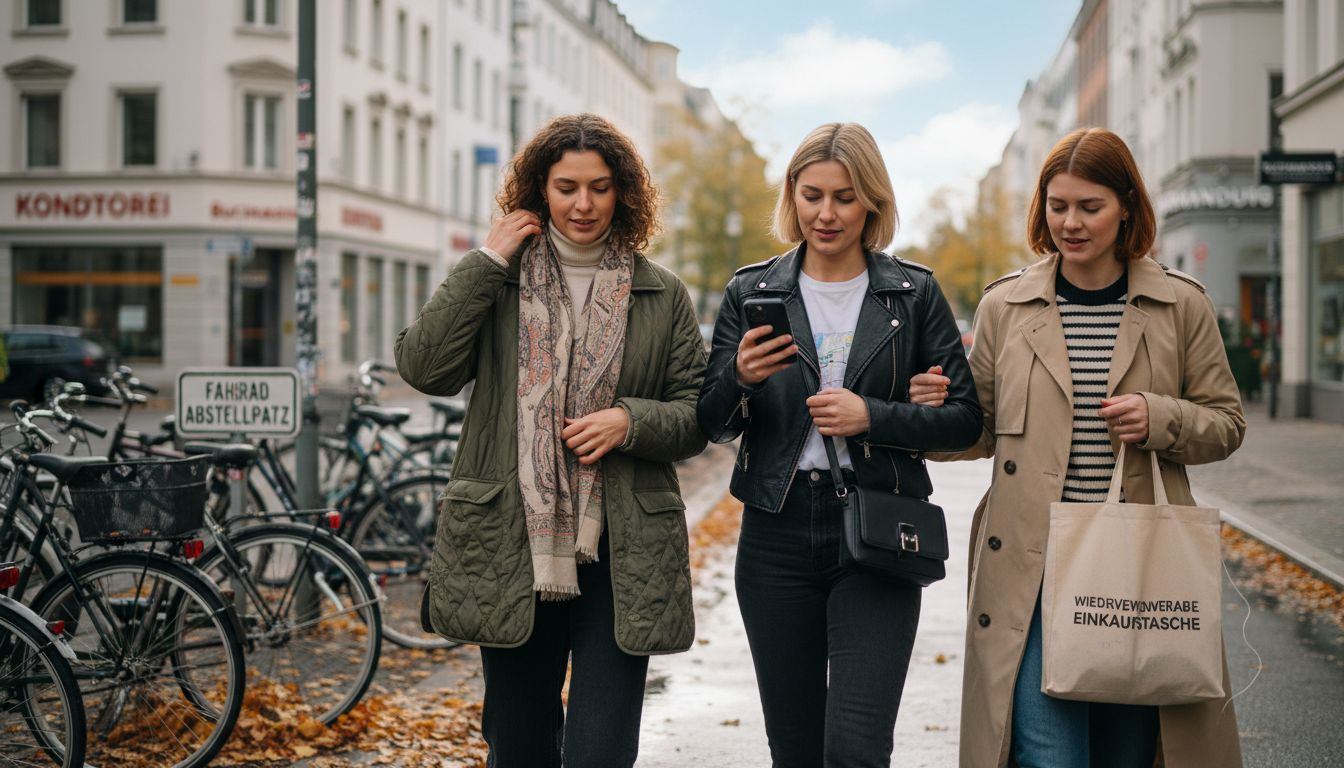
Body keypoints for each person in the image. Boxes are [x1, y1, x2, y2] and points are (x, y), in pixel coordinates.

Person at [909, 127, 1246, 767]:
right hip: (1031, 572)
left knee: (1129, 754)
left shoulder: (1180, 305)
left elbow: (1226, 423)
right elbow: (977, 430)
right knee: (1047, 754)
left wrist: (1160, 417)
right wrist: (933, 413)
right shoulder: (1006, 305)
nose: (1070, 222)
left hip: (1137, 567)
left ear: (1126, 207)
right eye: (1057, 205)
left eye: (1089, 207)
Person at [394, 113, 707, 768]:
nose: (584, 204)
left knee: (601, 751)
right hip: (511, 544)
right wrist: (484, 261)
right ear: (541, 191)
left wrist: (631, 422)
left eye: (599, 187)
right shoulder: (498, 282)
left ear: (623, 191)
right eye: (566, 187)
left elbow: (697, 416)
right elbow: (425, 367)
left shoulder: (662, 292)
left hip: (622, 550)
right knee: (520, 746)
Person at [696, 122, 982, 767]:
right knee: (795, 750)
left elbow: (964, 420)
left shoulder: (911, 294)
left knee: (856, 747)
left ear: (872, 203)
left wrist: (873, 416)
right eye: (812, 194)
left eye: (845, 197)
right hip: (776, 534)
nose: (826, 214)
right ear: (792, 197)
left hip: (879, 528)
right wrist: (738, 378)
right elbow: (708, 425)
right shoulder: (752, 291)